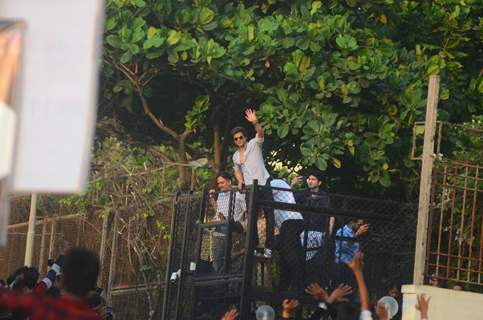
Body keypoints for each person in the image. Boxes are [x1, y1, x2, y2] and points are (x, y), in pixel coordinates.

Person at [0, 248, 102, 320]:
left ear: (62, 280)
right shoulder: (92, 316)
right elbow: (51, 275)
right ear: (93, 284)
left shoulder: (43, 307)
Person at [231, 109, 275, 249]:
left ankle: (269, 244)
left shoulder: (253, 144)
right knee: (252, 215)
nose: (239, 140)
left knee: (269, 213)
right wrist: (240, 180)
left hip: (263, 181)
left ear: (245, 137)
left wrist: (255, 122)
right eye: (236, 138)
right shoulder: (236, 156)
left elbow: (260, 133)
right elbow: (237, 170)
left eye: (241, 137)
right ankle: (254, 244)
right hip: (250, 187)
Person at [270, 178, 304, 291]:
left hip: (290, 221)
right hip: (287, 223)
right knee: (285, 256)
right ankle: (286, 285)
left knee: (290, 255)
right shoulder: (279, 187)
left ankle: (298, 283)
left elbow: (264, 194)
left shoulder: (274, 183)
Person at [208, 172, 247, 273]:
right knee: (217, 261)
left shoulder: (238, 194)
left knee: (230, 261)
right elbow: (218, 211)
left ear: (229, 181)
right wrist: (212, 198)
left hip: (234, 227)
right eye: (218, 183)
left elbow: (247, 211)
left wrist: (245, 227)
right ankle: (215, 278)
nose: (220, 185)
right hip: (220, 230)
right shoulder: (220, 195)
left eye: (222, 183)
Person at [333, 219, 369, 293]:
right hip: (342, 265)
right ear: (352, 222)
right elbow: (344, 247)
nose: (360, 227)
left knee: (350, 291)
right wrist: (357, 234)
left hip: (353, 266)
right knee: (341, 291)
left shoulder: (354, 232)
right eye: (359, 225)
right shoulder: (342, 231)